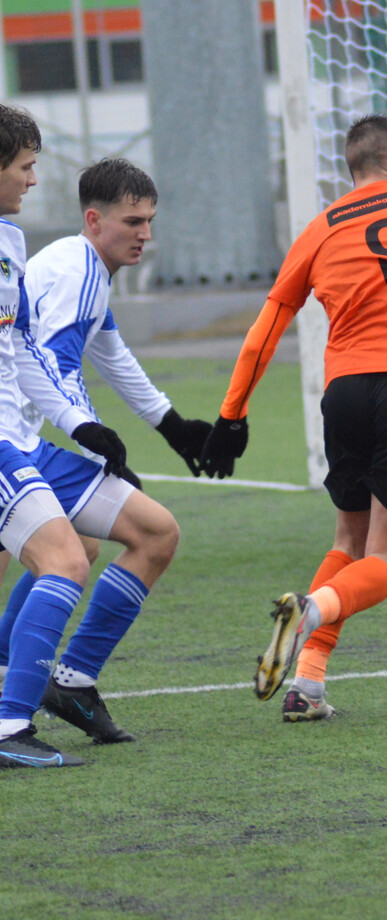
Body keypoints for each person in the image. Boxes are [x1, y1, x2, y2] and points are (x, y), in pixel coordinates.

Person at [200, 113, 387, 721]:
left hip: (345, 393)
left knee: (349, 540)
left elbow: (263, 334)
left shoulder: (318, 228)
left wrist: (232, 417)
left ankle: (306, 685)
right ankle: (310, 612)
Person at [0, 105, 179, 768]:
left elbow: (24, 352)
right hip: (10, 440)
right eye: (24, 168)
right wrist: (86, 432)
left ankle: (57, 683)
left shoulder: (12, 243)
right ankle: (11, 721)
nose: (32, 180)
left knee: (135, 536)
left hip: (23, 438)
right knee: (69, 556)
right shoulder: (73, 270)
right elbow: (45, 350)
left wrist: (90, 429)